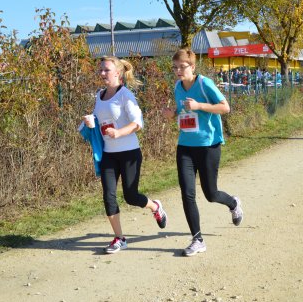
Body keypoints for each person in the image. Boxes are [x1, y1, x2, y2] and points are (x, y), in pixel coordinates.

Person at [83, 56, 167, 254]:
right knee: (108, 196)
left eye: (106, 70)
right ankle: (119, 238)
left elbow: (138, 123)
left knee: (131, 196)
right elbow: (101, 119)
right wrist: (91, 122)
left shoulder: (125, 95)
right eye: (101, 70)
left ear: (118, 73)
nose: (102, 73)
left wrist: (119, 132)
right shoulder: (99, 95)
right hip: (108, 154)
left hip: (129, 153)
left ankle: (155, 207)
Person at [163, 48, 243, 257]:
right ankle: (197, 239)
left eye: (182, 67)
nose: (178, 71)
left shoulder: (204, 84)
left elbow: (225, 107)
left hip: (208, 146)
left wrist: (199, 105)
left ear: (192, 66)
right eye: (175, 67)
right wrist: (173, 113)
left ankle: (233, 203)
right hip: (185, 146)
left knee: (211, 194)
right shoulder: (178, 87)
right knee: (187, 193)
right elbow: (183, 110)